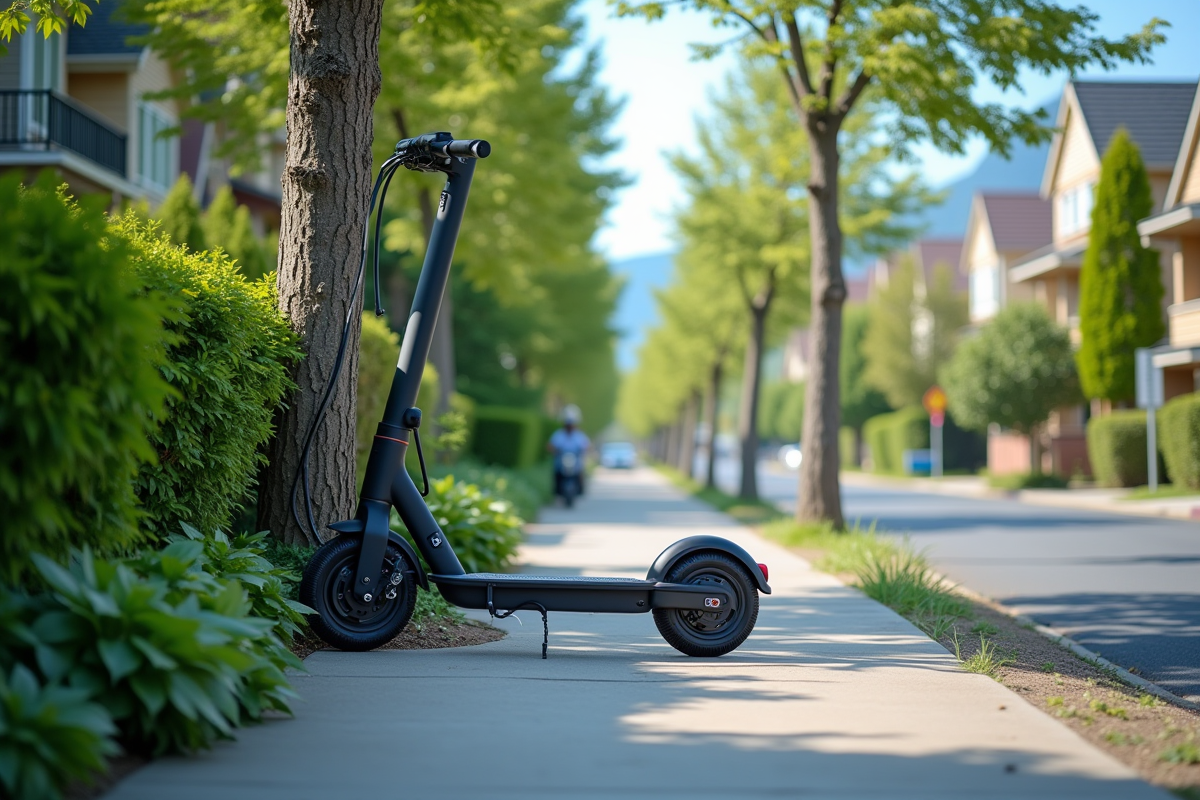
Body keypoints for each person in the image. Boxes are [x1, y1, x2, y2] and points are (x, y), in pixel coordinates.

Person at [548, 404, 590, 498]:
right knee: (556, 471)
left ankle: (581, 488)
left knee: (580, 470)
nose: (570, 426)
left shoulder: (579, 435)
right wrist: (554, 450)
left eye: (571, 424)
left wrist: (585, 450)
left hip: (575, 460)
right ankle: (556, 489)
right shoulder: (559, 434)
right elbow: (551, 445)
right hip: (562, 460)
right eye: (568, 424)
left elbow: (586, 445)